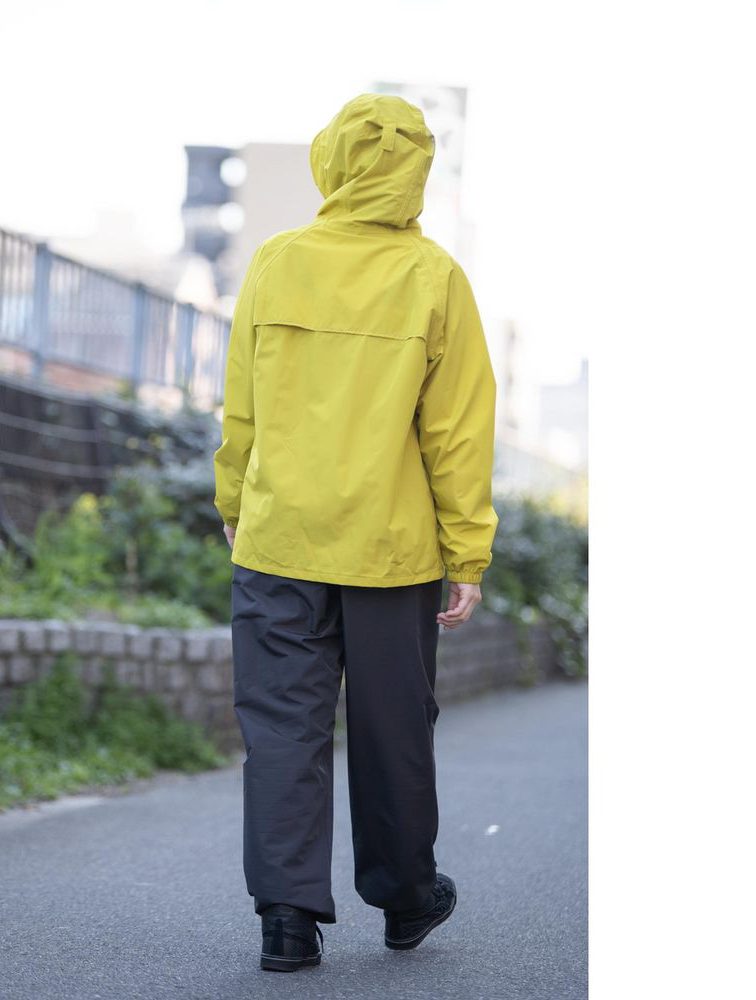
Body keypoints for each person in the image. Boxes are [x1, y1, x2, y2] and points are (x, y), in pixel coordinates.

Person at [212, 93, 499, 973]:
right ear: (417, 171)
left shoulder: (277, 262)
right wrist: (467, 552)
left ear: (330, 160)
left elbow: (241, 405)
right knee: (393, 728)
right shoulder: (434, 277)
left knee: (283, 729)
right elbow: (457, 432)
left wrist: (235, 502)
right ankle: (407, 900)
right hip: (391, 549)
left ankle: (287, 920)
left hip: (280, 542)